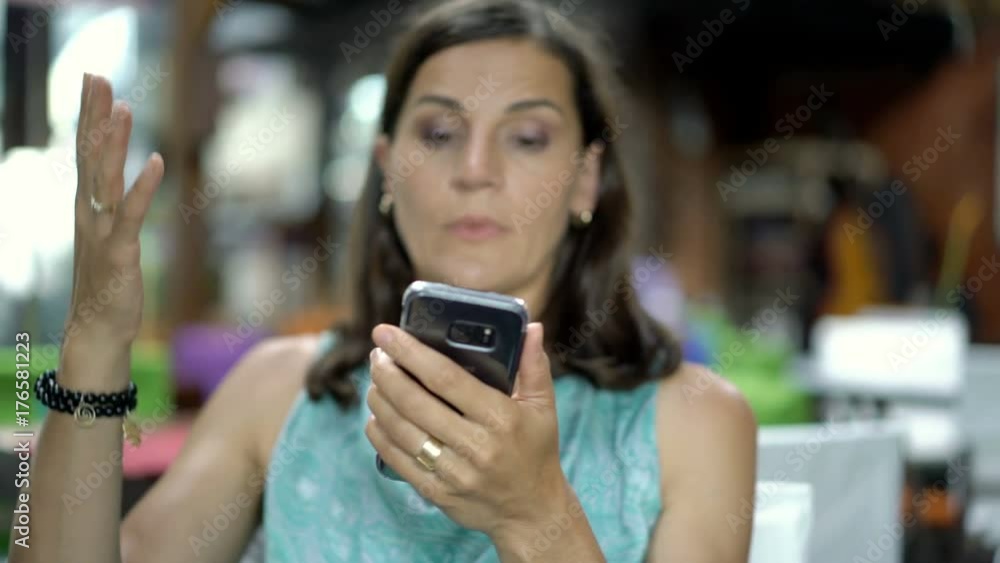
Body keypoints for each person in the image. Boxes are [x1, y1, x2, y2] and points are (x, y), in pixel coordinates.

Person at [12, 0, 757, 561]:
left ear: (586, 180)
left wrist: (537, 517)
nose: (475, 169)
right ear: (386, 171)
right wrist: (94, 341)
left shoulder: (694, 421)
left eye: (526, 137)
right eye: (438, 132)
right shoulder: (282, 393)